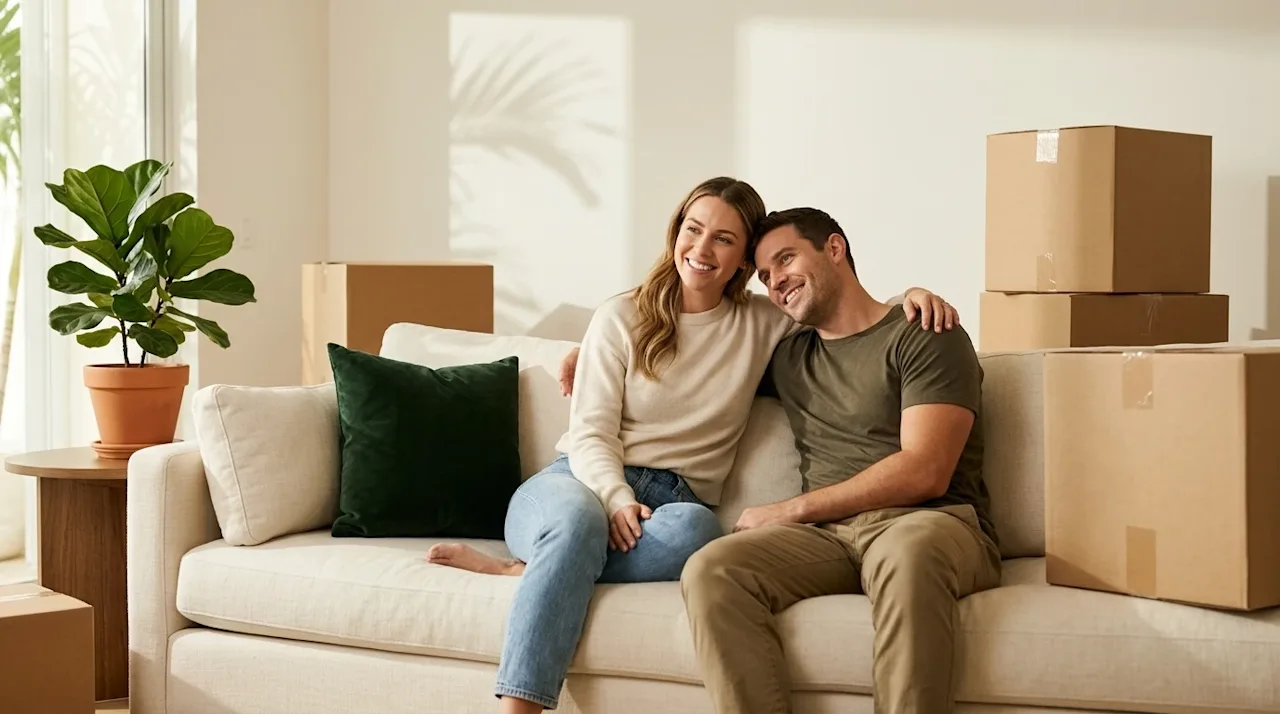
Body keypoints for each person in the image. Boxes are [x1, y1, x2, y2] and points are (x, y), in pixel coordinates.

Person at [426, 177, 958, 714]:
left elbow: (846, 315)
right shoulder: (622, 316)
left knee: (701, 533)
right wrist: (613, 495)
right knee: (576, 524)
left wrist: (907, 296)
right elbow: (590, 434)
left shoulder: (765, 323)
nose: (702, 249)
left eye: (724, 240)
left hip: (671, 504)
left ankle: (538, 570)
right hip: (579, 481)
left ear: (742, 262)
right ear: (676, 232)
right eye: (693, 229)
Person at [677, 207, 1000, 714]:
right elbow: (691, 353)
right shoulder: (785, 355)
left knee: (908, 553)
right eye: (764, 275)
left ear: (834, 248)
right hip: (830, 539)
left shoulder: (924, 332)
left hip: (931, 523)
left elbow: (925, 470)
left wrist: (792, 509)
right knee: (711, 569)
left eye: (786, 259)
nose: (776, 282)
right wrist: (597, 350)